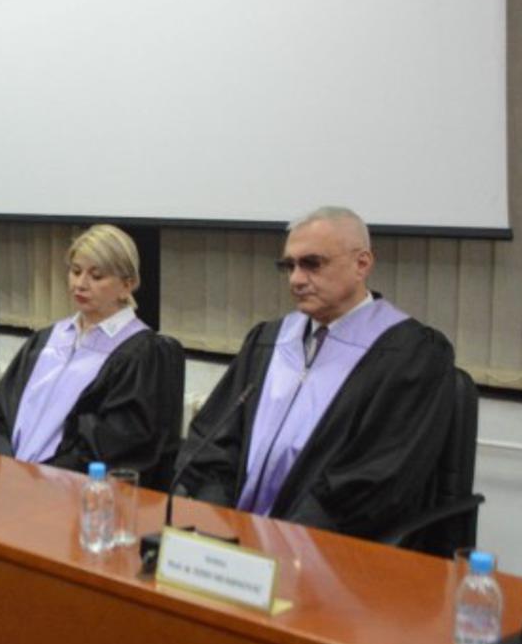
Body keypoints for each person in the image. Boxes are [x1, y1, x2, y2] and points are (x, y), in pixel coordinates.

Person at [176, 206, 456, 539]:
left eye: (312, 264)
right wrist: (217, 521)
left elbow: (376, 476)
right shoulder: (269, 341)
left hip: (325, 543)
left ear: (362, 264)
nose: (295, 279)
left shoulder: (411, 354)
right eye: (289, 265)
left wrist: (284, 540)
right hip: (234, 533)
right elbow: (215, 442)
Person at [0, 224, 179, 486]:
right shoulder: (47, 339)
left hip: (69, 491)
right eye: (75, 271)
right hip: (9, 480)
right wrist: (5, 466)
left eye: (96, 276)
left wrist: (38, 481)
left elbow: (115, 446)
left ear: (127, 285)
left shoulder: (141, 353)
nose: (80, 284)